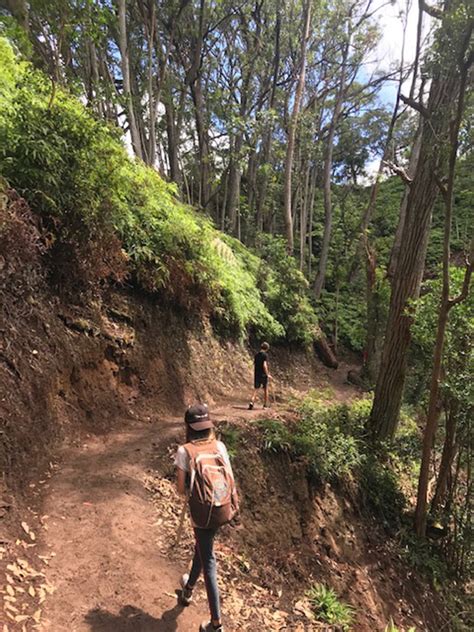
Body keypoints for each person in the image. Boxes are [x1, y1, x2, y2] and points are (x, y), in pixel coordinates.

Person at [175, 403, 237, 632]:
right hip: (222, 508)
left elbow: (181, 489)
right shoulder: (219, 446)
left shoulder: (185, 451)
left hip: (202, 513)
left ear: (188, 427)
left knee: (208, 559)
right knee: (202, 547)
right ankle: (188, 588)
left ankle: (216, 624)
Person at [248, 341, 271, 410]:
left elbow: (254, 364)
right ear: (267, 348)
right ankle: (265, 405)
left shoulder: (256, 355)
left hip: (257, 373)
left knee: (256, 389)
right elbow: (264, 365)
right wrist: (267, 374)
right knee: (265, 389)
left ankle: (251, 402)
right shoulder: (265, 355)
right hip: (263, 374)